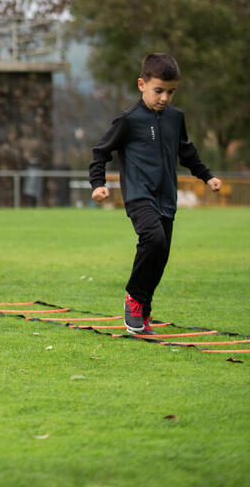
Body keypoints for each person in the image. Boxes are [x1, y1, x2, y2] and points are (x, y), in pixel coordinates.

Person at [89, 53, 221, 334]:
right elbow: (101, 151)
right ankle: (133, 299)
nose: (164, 98)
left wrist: (207, 176)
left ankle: (143, 311)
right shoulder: (128, 120)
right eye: (158, 91)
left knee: (160, 253)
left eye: (171, 92)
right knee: (153, 238)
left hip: (166, 198)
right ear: (142, 84)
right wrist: (98, 183)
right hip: (138, 195)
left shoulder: (175, 118)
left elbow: (187, 152)